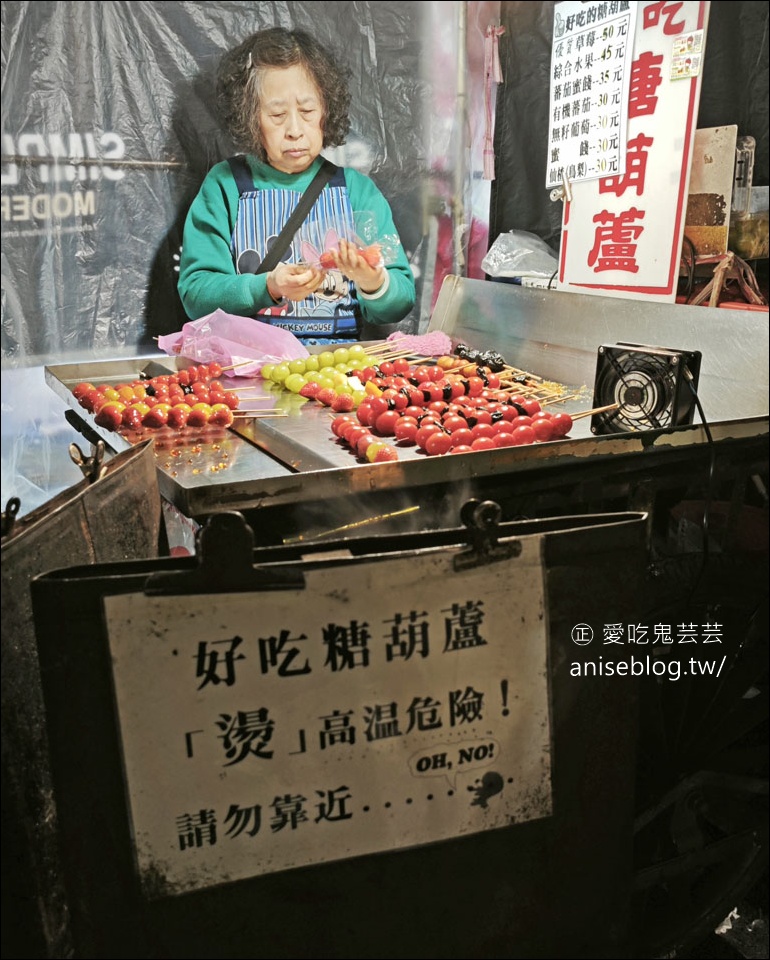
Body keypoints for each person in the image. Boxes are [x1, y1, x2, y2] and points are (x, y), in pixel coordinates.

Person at [177, 27, 416, 344]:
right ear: (251, 117)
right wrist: (268, 287)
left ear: (326, 111)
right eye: (277, 114)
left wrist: (374, 281)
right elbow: (196, 294)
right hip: (248, 371)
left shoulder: (357, 191)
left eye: (307, 111)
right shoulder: (225, 186)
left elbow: (400, 300)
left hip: (338, 376)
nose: (294, 130)